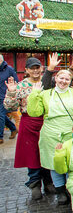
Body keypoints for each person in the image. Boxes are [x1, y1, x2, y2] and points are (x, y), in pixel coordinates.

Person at [27, 70, 73, 205]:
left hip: (71, 132)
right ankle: (60, 191)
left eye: (66, 79)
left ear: (70, 81)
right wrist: (34, 94)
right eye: (61, 78)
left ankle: (71, 189)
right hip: (51, 133)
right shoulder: (45, 94)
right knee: (54, 164)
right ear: (55, 78)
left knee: (72, 163)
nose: (63, 81)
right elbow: (34, 112)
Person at [4, 57, 52, 199]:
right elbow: (9, 107)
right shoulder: (20, 86)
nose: (35, 70)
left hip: (46, 121)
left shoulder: (47, 82)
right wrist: (12, 93)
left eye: (37, 67)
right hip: (28, 121)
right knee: (32, 153)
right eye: (32, 68)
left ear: (41, 68)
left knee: (46, 152)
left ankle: (49, 181)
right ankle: (35, 183)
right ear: (27, 70)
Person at [0, 54, 18, 144]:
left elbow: (16, 82)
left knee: (0, 116)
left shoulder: (9, 69)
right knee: (1, 116)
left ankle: (0, 137)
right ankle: (13, 128)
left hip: (5, 97)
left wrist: (11, 92)